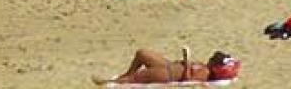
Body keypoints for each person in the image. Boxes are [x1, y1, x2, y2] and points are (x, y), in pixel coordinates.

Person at [94, 49, 238, 86]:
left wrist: (187, 61)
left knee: (137, 77)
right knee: (142, 53)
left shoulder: (205, 74)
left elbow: (187, 80)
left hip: (169, 74)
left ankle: (108, 82)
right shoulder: (205, 66)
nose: (214, 56)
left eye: (216, 58)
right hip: (168, 65)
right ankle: (124, 76)